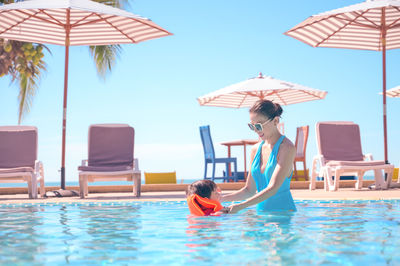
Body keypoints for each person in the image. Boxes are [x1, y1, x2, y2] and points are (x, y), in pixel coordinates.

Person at [221, 99, 297, 214]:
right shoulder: (255, 149)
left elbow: (273, 188)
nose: (256, 130)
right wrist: (220, 199)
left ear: (275, 121)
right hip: (261, 215)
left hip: (283, 216)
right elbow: (249, 190)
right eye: (252, 126)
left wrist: (241, 206)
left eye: (259, 126)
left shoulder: (287, 148)